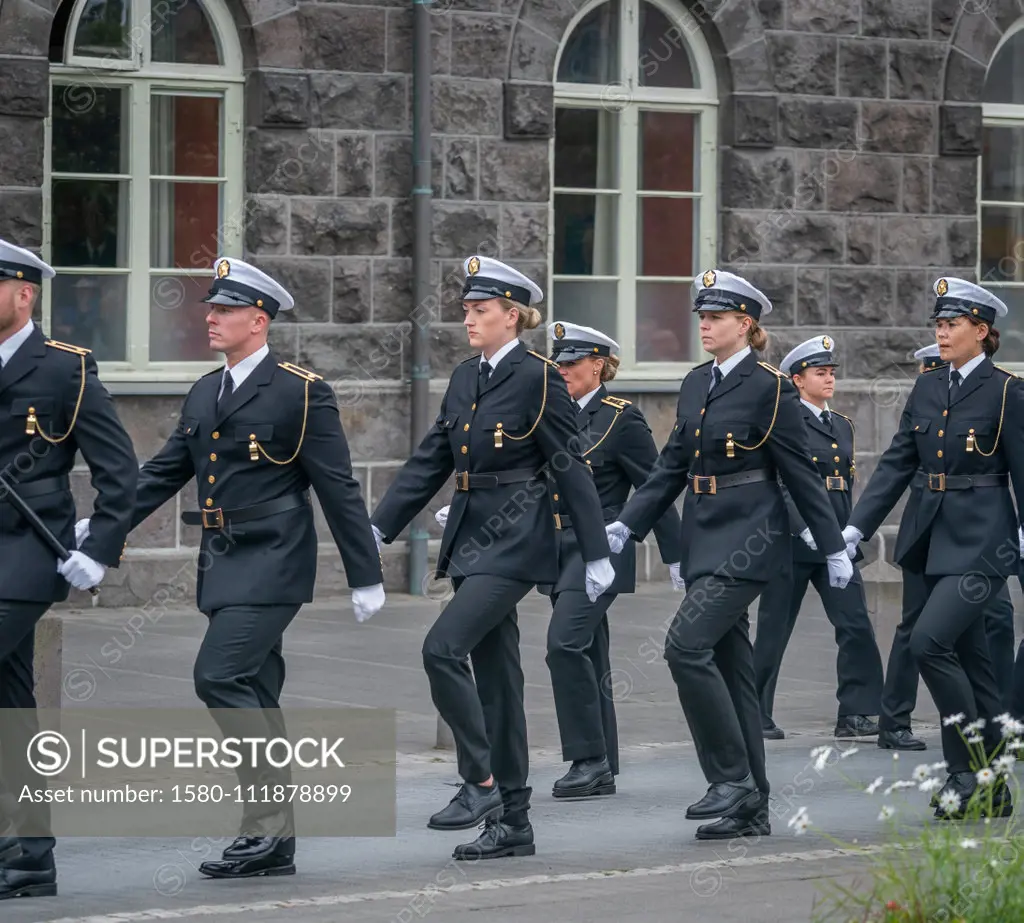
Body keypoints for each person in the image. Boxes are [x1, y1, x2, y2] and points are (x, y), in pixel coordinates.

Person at [84, 257, 385, 878]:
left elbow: (337, 487)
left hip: (274, 558)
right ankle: (275, 844)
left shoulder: (302, 391)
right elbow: (166, 472)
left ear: (258, 319)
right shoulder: (204, 389)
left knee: (218, 677)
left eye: (223, 311)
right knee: (256, 690)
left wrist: (366, 573)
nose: (211, 319)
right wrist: (104, 524)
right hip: (221, 561)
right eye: (210, 310)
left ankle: (266, 830)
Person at [370, 256, 614, 860]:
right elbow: (432, 458)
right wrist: (378, 529)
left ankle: (478, 780)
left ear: (513, 316)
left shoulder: (539, 376)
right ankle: (514, 821)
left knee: (441, 649)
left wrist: (594, 549)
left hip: (518, 543)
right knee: (500, 683)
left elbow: (569, 462)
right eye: (466, 311)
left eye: (481, 311)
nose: (469, 319)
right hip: (472, 537)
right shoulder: (464, 375)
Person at [605, 269, 852, 840]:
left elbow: (801, 472)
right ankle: (753, 808)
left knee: (684, 646)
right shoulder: (696, 383)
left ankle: (729, 778)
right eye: (702, 316)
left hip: (751, 539)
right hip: (704, 536)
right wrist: (628, 524)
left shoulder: (772, 388)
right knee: (732, 670)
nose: (705, 325)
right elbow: (671, 466)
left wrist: (833, 545)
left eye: (716, 317)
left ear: (746, 325)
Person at [842, 278, 1024, 818]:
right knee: (976, 669)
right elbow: (899, 461)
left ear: (982, 332)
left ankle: (964, 770)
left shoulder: (1007, 392)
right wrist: (857, 527)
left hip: (983, 543)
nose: (942, 333)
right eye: (938, 325)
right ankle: (991, 783)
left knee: (928, 644)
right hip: (929, 540)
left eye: (952, 325)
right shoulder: (927, 387)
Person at [0, 239, 138, 899]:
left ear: (25, 294)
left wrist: (101, 544)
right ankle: (30, 854)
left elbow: (120, 470)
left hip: (26, 552)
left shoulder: (65, 369)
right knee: (13, 705)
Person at [540, 321, 682, 798]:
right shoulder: (548, 413)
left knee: (564, 644)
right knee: (588, 649)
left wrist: (676, 556)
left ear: (597, 365)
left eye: (571, 363)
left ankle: (587, 759)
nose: (560, 371)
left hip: (601, 549)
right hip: (554, 550)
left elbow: (655, 486)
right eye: (557, 363)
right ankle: (604, 762)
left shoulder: (622, 419)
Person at [753, 335, 885, 741]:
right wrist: (803, 526)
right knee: (774, 630)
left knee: (855, 624)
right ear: (797, 380)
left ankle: (857, 712)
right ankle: (754, 713)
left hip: (835, 545)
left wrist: (845, 533)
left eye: (831, 372)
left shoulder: (841, 425)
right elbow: (780, 482)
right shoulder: (786, 419)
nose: (828, 380)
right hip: (791, 543)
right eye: (819, 373)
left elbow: (842, 485)